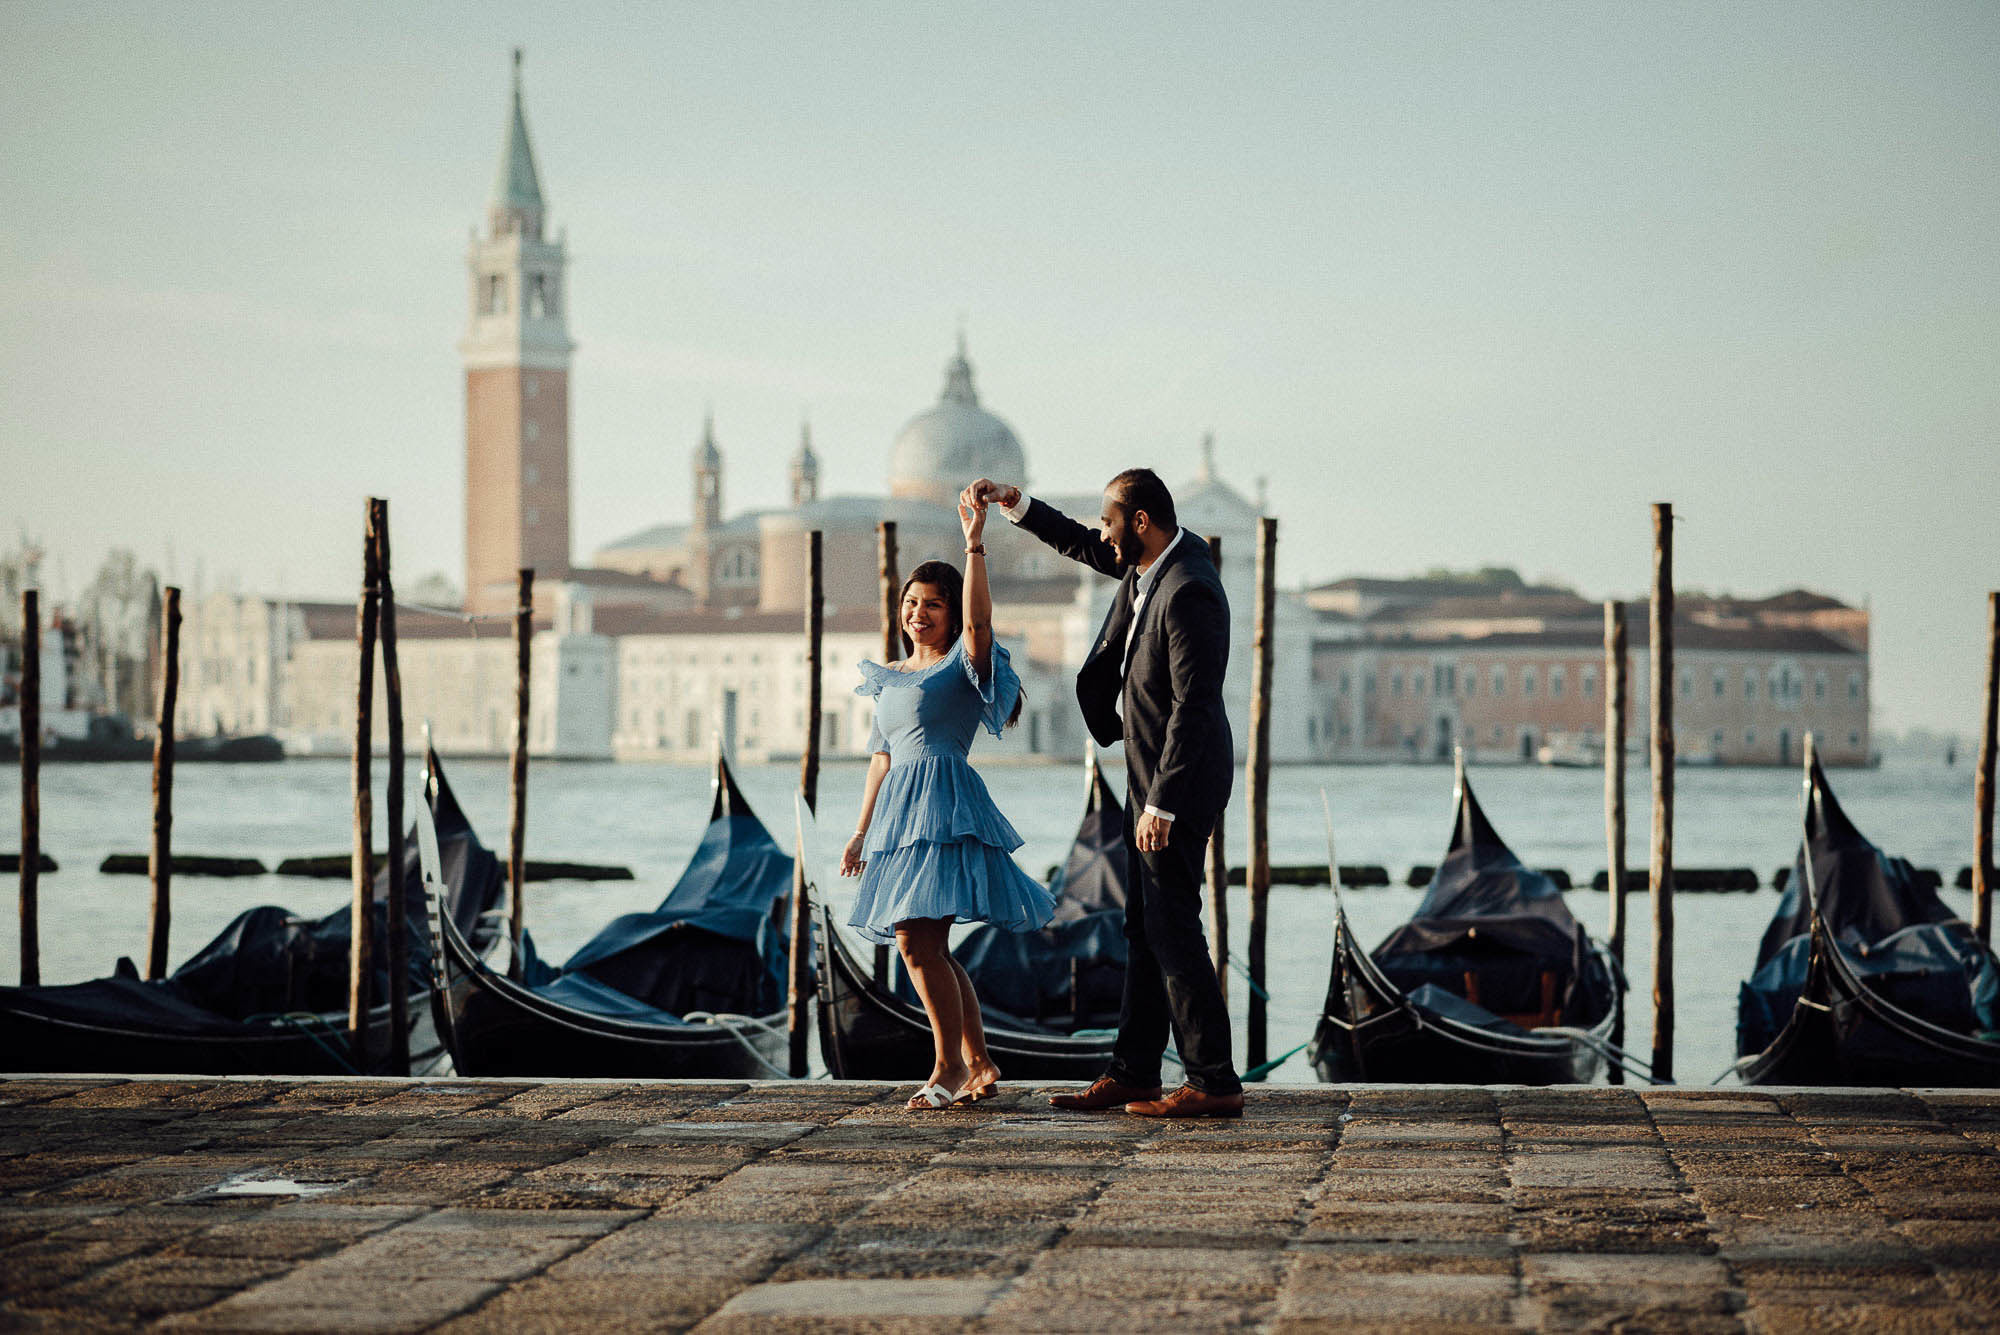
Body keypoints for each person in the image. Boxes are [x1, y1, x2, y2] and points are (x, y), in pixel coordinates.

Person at [961, 470, 1243, 1118]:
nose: (1104, 534)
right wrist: (1017, 506)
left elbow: (1195, 707)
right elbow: (1080, 542)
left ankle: (1215, 1079)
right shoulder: (1147, 567)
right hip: (1148, 776)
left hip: (1181, 780)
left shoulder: (1191, 586)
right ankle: (1135, 1071)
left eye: (1112, 522)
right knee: (1142, 926)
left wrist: (1162, 805)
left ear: (1141, 522)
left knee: (1173, 927)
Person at [840, 499, 1057, 1110]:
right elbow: (880, 758)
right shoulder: (889, 676)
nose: (918, 613)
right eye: (911, 603)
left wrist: (975, 544)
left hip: (945, 804)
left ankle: (947, 1068)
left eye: (932, 604)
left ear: (952, 612)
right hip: (898, 817)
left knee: (916, 944)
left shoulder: (965, 665)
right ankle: (979, 1062)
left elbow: (982, 626)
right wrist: (860, 832)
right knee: (929, 946)